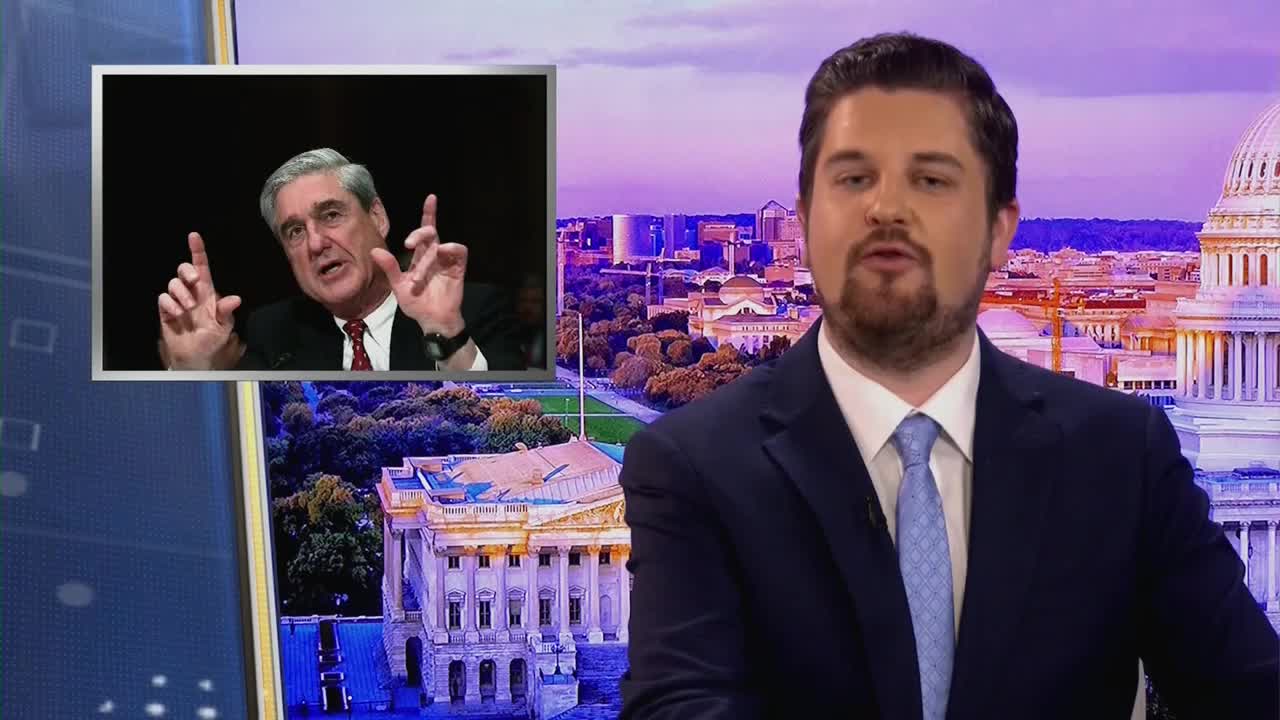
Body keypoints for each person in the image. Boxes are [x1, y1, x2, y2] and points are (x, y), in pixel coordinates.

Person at [617, 33, 1279, 720]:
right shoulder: (694, 466)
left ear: (999, 228)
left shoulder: (1123, 456)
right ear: (805, 224)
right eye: (853, 178)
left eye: (932, 180)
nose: (889, 211)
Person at [157, 148, 526, 371]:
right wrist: (192, 368)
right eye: (295, 231)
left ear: (377, 217)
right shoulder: (273, 332)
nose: (316, 243)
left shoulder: (475, 310)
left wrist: (444, 330)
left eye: (331, 215)